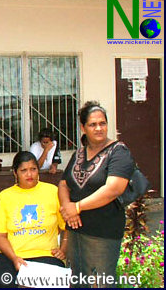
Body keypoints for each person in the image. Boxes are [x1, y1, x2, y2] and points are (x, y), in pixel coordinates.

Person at [58, 101, 135, 288]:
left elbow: (113, 189)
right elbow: (63, 184)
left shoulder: (118, 152)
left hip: (103, 233)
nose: (99, 128)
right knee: (78, 281)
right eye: (93, 124)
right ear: (83, 128)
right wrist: (68, 206)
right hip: (76, 231)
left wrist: (76, 207)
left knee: (101, 283)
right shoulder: (79, 154)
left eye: (102, 123)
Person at [0, 151, 68, 288]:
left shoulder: (52, 192)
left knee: (55, 284)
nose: (29, 174)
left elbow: (66, 227)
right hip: (11, 255)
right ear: (15, 173)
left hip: (46, 254)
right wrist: (14, 258)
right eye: (23, 170)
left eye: (33, 169)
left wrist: (64, 248)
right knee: (0, 283)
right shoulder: (4, 197)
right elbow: (0, 236)